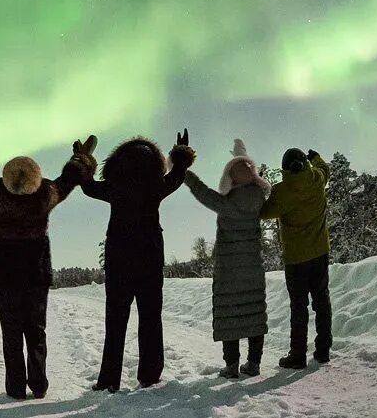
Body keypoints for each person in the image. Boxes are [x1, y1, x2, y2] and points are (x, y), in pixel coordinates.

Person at [0, 135, 97, 400]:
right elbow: (69, 178)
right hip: (36, 274)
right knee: (36, 332)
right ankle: (39, 386)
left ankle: (15, 388)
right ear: (36, 176)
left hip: (5, 274)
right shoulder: (45, 195)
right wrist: (81, 157)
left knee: (11, 333)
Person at [81, 131, 196, 392]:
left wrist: (83, 159)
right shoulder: (155, 186)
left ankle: (109, 379)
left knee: (115, 319)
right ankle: (150, 374)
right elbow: (177, 175)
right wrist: (180, 152)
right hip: (150, 256)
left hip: (118, 257)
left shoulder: (114, 187)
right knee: (151, 317)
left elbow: (87, 186)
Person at [183, 138, 271, 378]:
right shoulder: (259, 200)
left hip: (229, 271)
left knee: (230, 316)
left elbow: (202, 192)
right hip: (253, 268)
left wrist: (184, 172)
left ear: (229, 178)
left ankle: (231, 366)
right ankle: (253, 364)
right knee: (254, 314)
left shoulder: (226, 204)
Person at [259, 147, 332, 369]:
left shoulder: (282, 192)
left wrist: (259, 186)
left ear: (284, 169)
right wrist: (316, 157)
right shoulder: (317, 179)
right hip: (320, 252)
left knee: (299, 307)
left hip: (296, 259)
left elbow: (263, 212)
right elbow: (324, 168)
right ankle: (323, 350)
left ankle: (298, 355)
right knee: (322, 300)